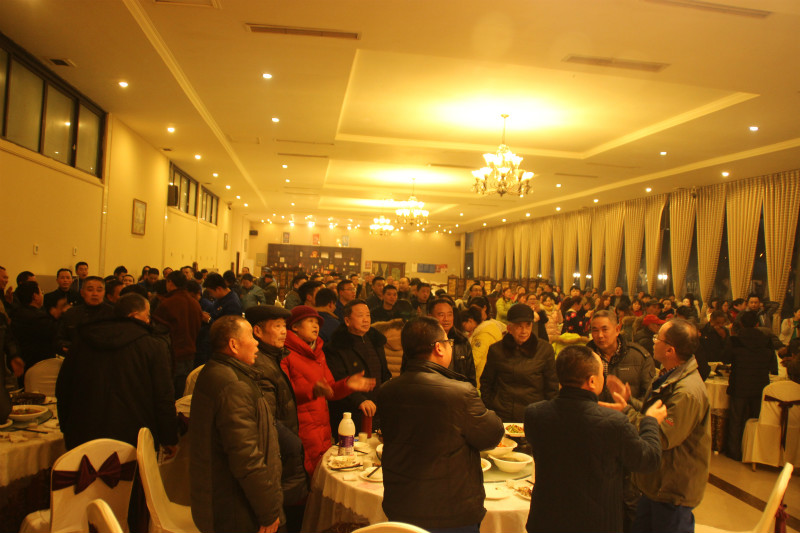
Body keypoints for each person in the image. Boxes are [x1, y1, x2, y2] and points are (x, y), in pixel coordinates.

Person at [377, 317, 504, 532]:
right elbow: (491, 435)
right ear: (439, 348)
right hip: (451, 512)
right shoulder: (460, 392)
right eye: (448, 342)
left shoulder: (387, 390)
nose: (450, 346)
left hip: (401, 505)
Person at [525, 345, 664, 533]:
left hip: (546, 520)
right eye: (601, 374)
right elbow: (649, 459)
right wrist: (650, 421)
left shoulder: (535, 414)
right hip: (596, 523)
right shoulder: (614, 423)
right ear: (591, 381)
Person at [614, 319, 710, 533]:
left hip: (672, 489)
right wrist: (630, 402)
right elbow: (654, 413)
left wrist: (626, 411)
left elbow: (663, 435)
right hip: (655, 484)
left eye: (658, 338)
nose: (653, 341)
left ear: (669, 350)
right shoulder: (670, 374)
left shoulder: (687, 392)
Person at [190, 316, 283, 533]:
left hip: (220, 500)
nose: (257, 343)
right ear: (233, 345)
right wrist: (268, 511)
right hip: (234, 508)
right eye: (251, 336)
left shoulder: (217, 370)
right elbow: (246, 457)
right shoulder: (233, 385)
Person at [56, 293, 178, 452]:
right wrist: (168, 438)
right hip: (133, 437)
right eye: (147, 315)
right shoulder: (153, 346)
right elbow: (163, 395)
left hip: (83, 433)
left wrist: (66, 426)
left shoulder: (84, 339)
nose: (149, 321)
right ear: (134, 315)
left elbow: (64, 387)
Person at [280, 305, 375, 475]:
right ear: (294, 326)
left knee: (321, 473)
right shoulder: (284, 354)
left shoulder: (318, 353)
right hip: (299, 426)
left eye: (317, 323)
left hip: (322, 426)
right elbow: (283, 393)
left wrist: (347, 384)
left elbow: (330, 390)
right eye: (310, 321)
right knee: (304, 475)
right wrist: (313, 390)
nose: (316, 326)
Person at [244, 305, 308, 533]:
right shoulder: (259, 365)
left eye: (284, 326)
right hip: (278, 455)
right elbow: (267, 420)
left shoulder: (272, 358)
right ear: (257, 331)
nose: (284, 332)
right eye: (278, 326)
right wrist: (294, 444)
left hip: (284, 454)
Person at [480, 304, 558, 422]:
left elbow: (552, 387)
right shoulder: (496, 350)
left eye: (528, 325)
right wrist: (490, 407)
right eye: (519, 326)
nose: (524, 331)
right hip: (502, 413)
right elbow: (486, 382)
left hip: (533, 414)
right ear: (509, 328)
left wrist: (547, 414)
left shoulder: (544, 350)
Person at [325, 300, 392, 433]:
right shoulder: (336, 347)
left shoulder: (375, 340)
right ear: (347, 321)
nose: (366, 320)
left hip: (377, 407)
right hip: (350, 412)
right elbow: (338, 379)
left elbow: (384, 373)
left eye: (368, 315)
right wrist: (359, 400)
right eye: (360, 315)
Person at [724, 310, 776, 461]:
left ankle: (734, 452)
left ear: (740, 323)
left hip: (739, 384)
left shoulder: (735, 340)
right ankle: (752, 452)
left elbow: (725, 358)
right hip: (760, 385)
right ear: (757, 324)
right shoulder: (766, 340)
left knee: (736, 420)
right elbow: (773, 366)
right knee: (755, 420)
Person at [152, 270, 204, 397]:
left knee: (169, 393)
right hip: (190, 353)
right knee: (183, 392)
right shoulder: (195, 303)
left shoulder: (168, 304)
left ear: (170, 283)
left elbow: (157, 331)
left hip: (173, 355)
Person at [588, 310, 655, 403]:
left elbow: (648, 398)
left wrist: (628, 405)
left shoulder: (640, 356)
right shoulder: (585, 358)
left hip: (629, 411)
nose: (600, 335)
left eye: (605, 330)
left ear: (617, 330)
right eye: (595, 330)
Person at [57, 276, 114, 354]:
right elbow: (59, 339)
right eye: (90, 290)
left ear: (104, 292)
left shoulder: (113, 313)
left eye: (99, 290)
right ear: (82, 293)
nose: (95, 294)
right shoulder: (71, 313)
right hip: (76, 355)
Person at [11, 281, 58, 371]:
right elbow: (55, 334)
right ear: (35, 296)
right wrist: (59, 315)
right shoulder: (38, 317)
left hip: (22, 361)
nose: (42, 295)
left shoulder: (16, 314)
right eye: (41, 292)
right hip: (38, 364)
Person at [429, 298, 477, 386]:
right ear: (430, 316)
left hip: (458, 390)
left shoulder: (461, 340)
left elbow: (471, 375)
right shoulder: (423, 341)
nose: (446, 319)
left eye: (449, 315)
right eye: (441, 315)